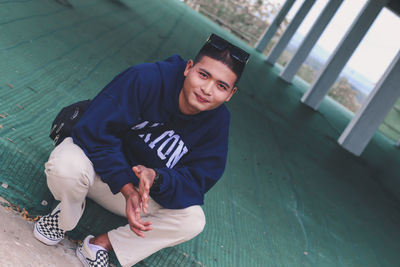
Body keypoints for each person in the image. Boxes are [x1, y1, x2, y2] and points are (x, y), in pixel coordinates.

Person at [33, 33, 249, 267]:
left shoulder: (217, 123)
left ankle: (99, 245)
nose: (207, 89)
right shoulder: (146, 78)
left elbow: (196, 182)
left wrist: (157, 178)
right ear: (189, 68)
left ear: (230, 94)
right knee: (65, 168)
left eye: (221, 86)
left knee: (192, 220)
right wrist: (126, 187)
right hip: (93, 169)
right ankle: (63, 217)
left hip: (139, 197)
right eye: (203, 75)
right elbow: (94, 131)